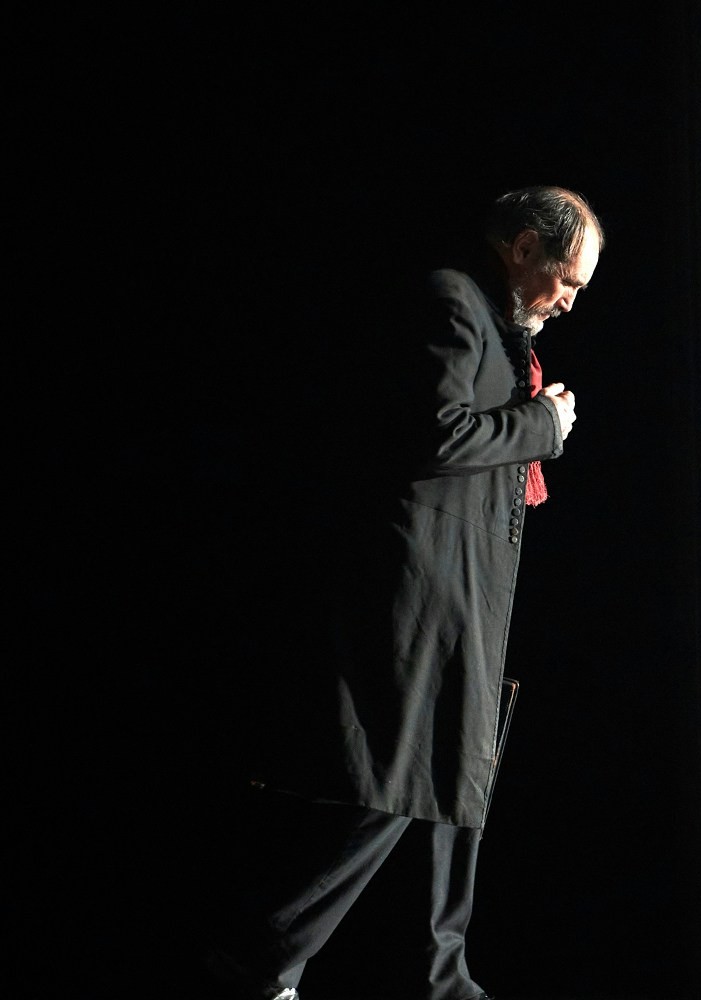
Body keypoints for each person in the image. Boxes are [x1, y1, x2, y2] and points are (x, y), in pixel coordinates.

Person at [203, 185, 604, 1000]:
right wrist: (543, 427)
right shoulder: (452, 299)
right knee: (394, 784)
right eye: (566, 279)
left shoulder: (494, 322)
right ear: (522, 246)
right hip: (425, 592)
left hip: (469, 594)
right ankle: (260, 958)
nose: (568, 303)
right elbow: (438, 430)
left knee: (454, 783)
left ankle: (440, 978)